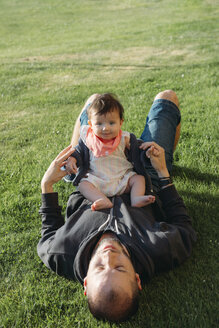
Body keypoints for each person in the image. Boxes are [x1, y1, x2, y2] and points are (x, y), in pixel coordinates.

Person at [38, 90, 196, 322]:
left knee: (94, 101)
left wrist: (46, 184)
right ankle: (166, 160)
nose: (109, 258)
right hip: (145, 169)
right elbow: (184, 225)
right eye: (120, 269)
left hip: (89, 175)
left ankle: (78, 147)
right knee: (167, 97)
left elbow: (48, 232)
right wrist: (162, 172)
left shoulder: (61, 252)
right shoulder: (160, 248)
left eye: (100, 268)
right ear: (137, 279)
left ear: (86, 282)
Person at [68, 93, 155, 211]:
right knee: (83, 185)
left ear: (121, 122)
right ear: (90, 124)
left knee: (139, 179)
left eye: (111, 123)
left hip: (122, 179)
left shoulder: (125, 139)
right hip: (97, 180)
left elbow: (138, 150)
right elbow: (78, 152)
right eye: (99, 124)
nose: (106, 128)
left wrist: (147, 150)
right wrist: (72, 159)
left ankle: (136, 198)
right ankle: (100, 199)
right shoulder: (88, 139)